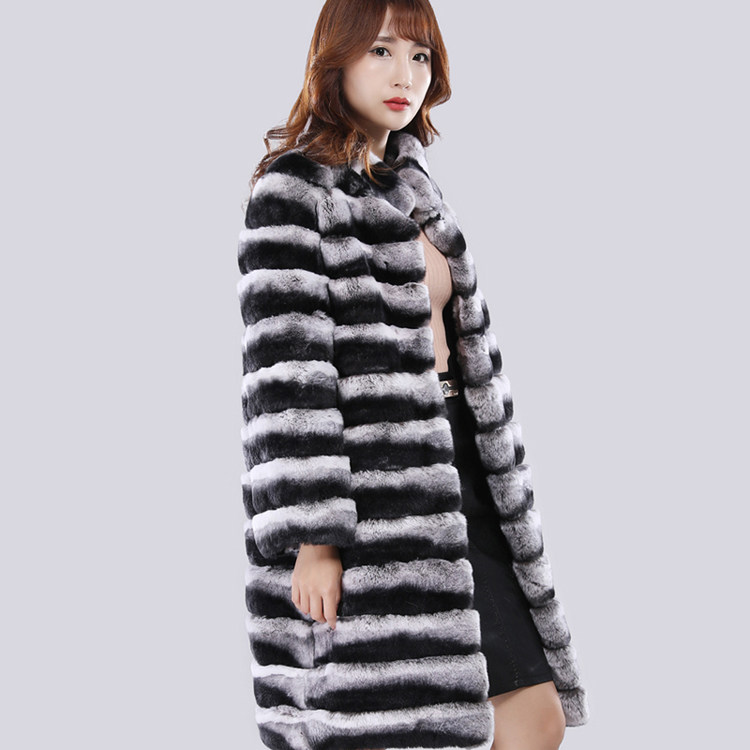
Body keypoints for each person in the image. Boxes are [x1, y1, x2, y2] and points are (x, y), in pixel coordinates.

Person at [236, 1, 589, 748]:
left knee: (535, 715)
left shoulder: (414, 184)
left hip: (463, 466)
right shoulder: (293, 192)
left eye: (421, 56)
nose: (406, 76)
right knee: (396, 723)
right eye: (382, 52)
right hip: (370, 492)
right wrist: (316, 538)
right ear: (336, 59)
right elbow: (288, 375)